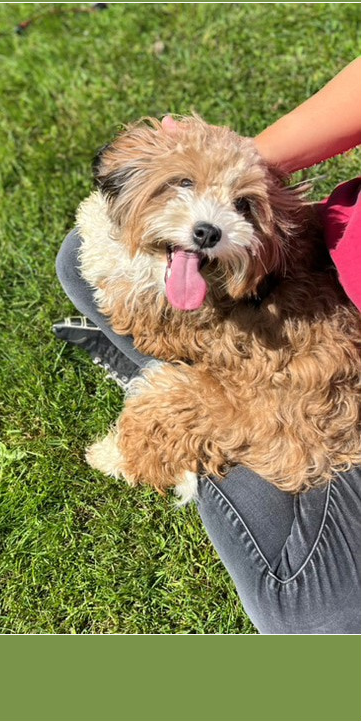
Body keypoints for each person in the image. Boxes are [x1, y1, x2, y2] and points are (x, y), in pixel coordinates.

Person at [53, 58, 361, 634]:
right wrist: (255, 157)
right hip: (326, 258)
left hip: (320, 395)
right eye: (183, 186)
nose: (207, 220)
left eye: (241, 206)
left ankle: (172, 413)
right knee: (79, 256)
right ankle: (167, 372)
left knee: (298, 611)